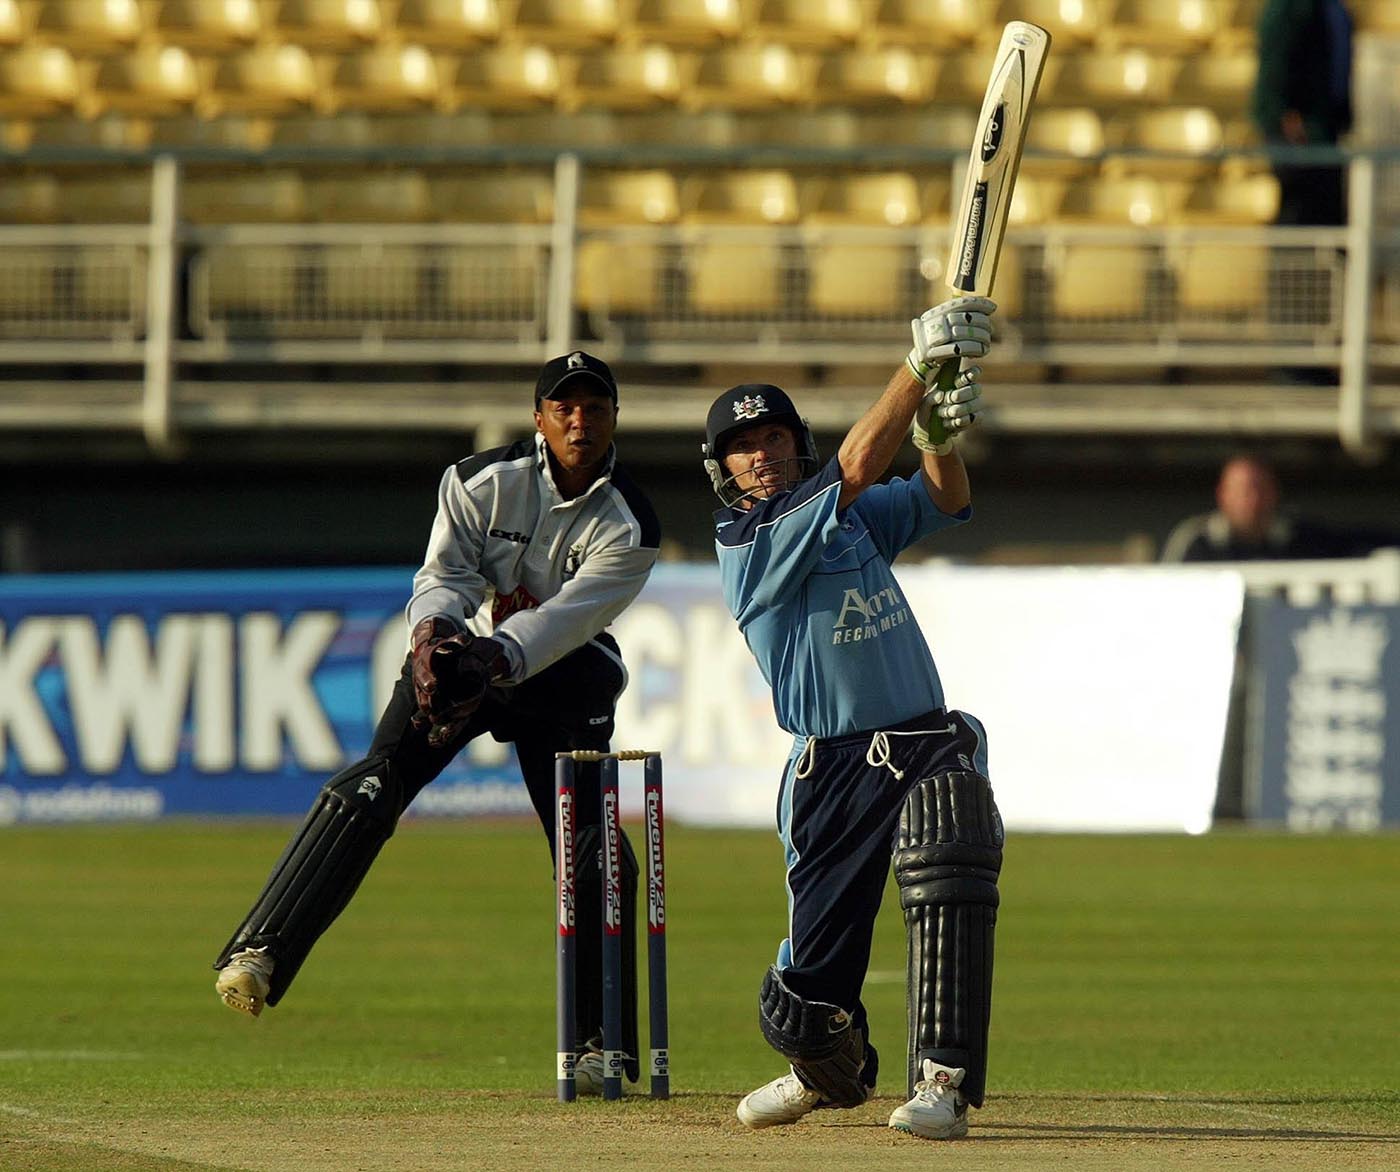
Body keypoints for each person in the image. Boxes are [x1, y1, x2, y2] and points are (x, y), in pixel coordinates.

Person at [212, 351, 661, 1095]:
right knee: (373, 785)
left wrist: (496, 655)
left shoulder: (631, 521)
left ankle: (598, 1043)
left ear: (615, 417)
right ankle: (260, 951)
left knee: (593, 843)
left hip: (563, 674)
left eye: (596, 407)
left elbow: (569, 620)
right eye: (565, 407)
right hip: (460, 664)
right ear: (539, 417)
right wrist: (433, 639)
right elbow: (444, 575)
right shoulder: (479, 481)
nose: (580, 420)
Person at [702, 297, 1004, 1141]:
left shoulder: (851, 519)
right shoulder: (748, 542)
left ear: (795, 444)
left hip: (923, 739)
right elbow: (861, 463)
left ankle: (943, 1083)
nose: (761, 456)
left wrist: (938, 438)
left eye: (773, 438)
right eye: (743, 446)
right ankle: (822, 1067)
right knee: (803, 1003)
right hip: (830, 768)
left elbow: (943, 499)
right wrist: (917, 369)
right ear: (723, 468)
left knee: (951, 863)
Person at [1160, 453, 1391, 562]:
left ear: (1274, 493)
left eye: (1260, 489)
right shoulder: (1195, 542)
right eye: (1243, 491)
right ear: (1223, 495)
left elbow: (1355, 541)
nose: (1253, 500)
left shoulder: (1302, 537)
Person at [1251, 0, 1353, 228]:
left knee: (1327, 210)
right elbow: (1275, 62)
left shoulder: (1333, 8)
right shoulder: (1291, 7)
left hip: (1326, 126)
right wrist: (1286, 114)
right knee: (1299, 209)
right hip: (1299, 129)